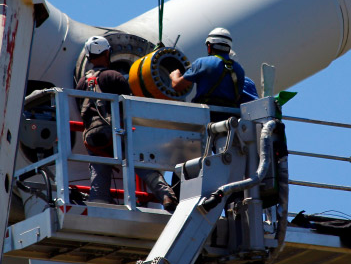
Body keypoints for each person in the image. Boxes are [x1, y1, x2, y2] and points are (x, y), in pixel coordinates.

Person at [75, 36, 178, 211]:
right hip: (115, 132)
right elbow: (128, 106)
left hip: (92, 136)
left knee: (99, 169)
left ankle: (99, 204)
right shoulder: (114, 76)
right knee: (140, 161)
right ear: (107, 52)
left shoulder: (82, 83)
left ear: (89, 57)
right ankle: (166, 195)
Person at [170, 27, 246, 108]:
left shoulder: (202, 63)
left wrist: (174, 75)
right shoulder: (240, 70)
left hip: (207, 115)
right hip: (230, 116)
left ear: (209, 46)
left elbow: (177, 86)